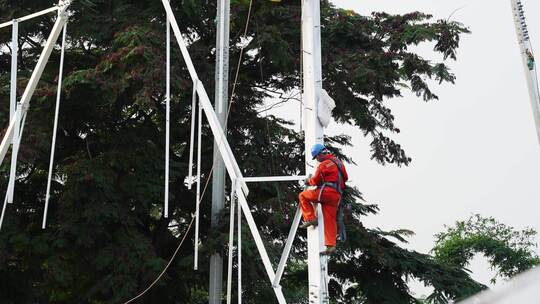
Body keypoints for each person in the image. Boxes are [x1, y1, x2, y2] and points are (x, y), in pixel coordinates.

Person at [298, 143, 348, 255]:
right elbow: (345, 177)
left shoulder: (324, 164)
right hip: (337, 195)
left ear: (321, 154)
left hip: (326, 193)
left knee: (303, 196)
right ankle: (330, 246)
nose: (317, 159)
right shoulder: (339, 162)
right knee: (329, 219)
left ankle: (311, 218)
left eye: (316, 157)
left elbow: (315, 181)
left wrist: (308, 181)